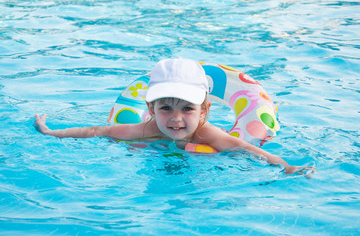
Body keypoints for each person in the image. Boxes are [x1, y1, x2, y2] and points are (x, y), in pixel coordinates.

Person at [35, 58, 314, 175]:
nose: (175, 118)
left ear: (204, 110)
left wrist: (286, 167)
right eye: (166, 108)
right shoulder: (144, 130)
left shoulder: (209, 134)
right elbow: (98, 131)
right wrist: (50, 132)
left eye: (187, 108)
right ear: (151, 108)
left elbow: (248, 148)